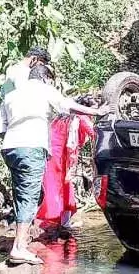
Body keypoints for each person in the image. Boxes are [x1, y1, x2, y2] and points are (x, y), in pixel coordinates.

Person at [0, 65, 108, 265]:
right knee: (30, 196)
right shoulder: (43, 88)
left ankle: (25, 233)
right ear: (46, 78)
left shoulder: (11, 95)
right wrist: (97, 111)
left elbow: (0, 127)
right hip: (32, 147)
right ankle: (19, 248)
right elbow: (69, 105)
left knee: (29, 193)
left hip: (10, 148)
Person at [36, 95, 97, 235]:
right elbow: (95, 134)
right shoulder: (82, 117)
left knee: (59, 185)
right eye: (93, 110)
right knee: (59, 185)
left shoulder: (63, 116)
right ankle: (56, 220)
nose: (94, 114)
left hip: (53, 152)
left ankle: (60, 221)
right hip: (60, 154)